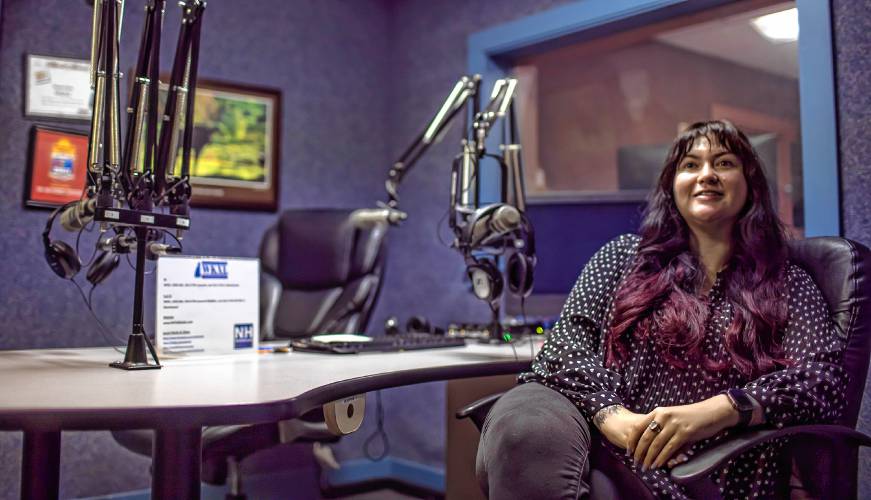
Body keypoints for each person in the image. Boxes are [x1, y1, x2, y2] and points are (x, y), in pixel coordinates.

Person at [475, 120, 847, 499]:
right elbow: (564, 348)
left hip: (708, 477)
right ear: (671, 185)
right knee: (524, 415)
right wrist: (613, 417)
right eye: (690, 165)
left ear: (750, 183)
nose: (706, 175)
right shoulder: (622, 257)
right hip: (613, 451)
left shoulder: (786, 280)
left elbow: (823, 378)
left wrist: (719, 410)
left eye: (723, 163)